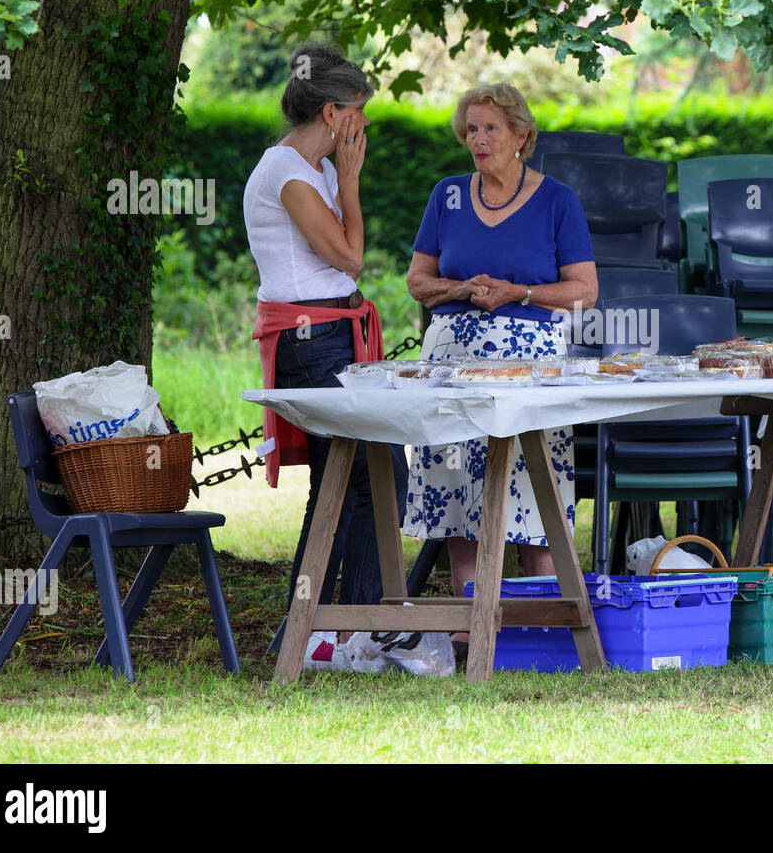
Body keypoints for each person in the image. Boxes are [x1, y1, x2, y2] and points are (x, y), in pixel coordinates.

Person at [403, 83, 597, 646]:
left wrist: (520, 293)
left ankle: (543, 621)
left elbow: (585, 291)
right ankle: (470, 623)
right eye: (470, 129)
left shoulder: (557, 200)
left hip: (526, 358)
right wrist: (457, 287)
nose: (478, 139)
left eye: (490, 128)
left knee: (530, 481)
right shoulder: (448, 196)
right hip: (451, 357)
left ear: (521, 137)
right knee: (458, 480)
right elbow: (418, 281)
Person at [243, 42, 409, 667]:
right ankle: (319, 629)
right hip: (313, 345)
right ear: (335, 113)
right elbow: (349, 256)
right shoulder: (289, 173)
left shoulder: (305, 171)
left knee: (367, 477)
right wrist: (352, 182)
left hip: (333, 339)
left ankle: (343, 627)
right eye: (360, 111)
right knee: (346, 482)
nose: (364, 124)